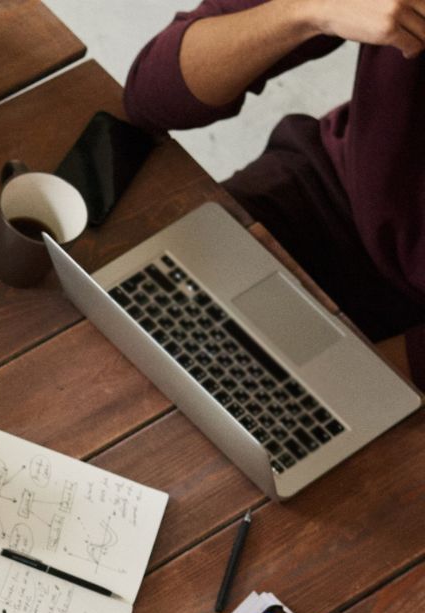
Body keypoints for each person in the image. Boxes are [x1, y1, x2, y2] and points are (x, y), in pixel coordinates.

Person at [125, 0, 425, 382]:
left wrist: (351, 383)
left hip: (410, 318)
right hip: (331, 194)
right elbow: (152, 94)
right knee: (112, 306)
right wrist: (312, 11)